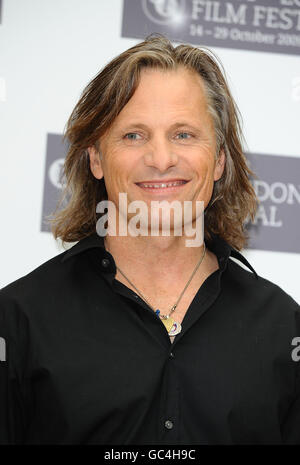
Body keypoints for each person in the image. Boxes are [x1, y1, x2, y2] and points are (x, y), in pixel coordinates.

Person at [0, 35, 299, 445]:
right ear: (96, 159)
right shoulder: (19, 321)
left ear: (220, 161)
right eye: (134, 135)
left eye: (183, 135)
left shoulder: (285, 328)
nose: (160, 159)